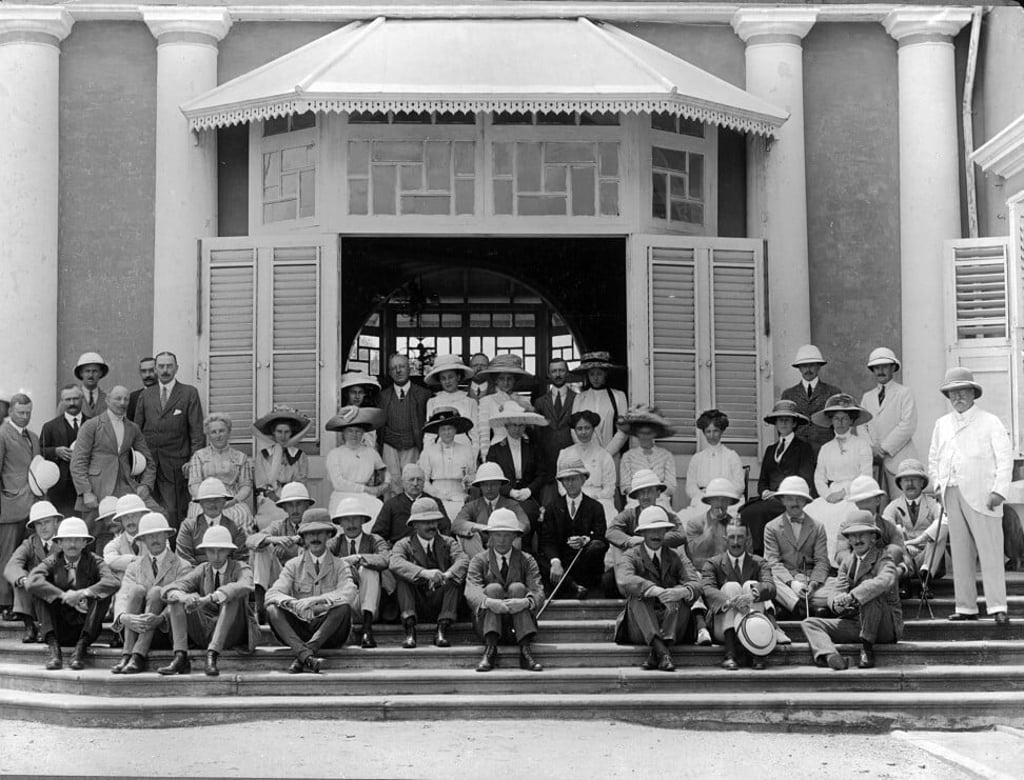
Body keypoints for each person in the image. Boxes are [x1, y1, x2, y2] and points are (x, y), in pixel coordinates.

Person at [928, 367, 1012, 625]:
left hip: (982, 493)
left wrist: (999, 490)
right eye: (953, 392)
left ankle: (997, 606)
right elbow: (933, 458)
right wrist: (938, 486)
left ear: (973, 393)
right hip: (951, 492)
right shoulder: (942, 424)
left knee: (990, 551)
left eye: (963, 391)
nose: (958, 397)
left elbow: (1005, 458)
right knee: (961, 552)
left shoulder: (990, 421)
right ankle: (965, 607)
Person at [801, 511, 904, 670]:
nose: (857, 540)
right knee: (810, 623)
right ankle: (830, 656)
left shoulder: (884, 558)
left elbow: (886, 580)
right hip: (858, 623)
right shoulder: (847, 562)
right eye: (852, 535)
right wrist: (837, 602)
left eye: (862, 534)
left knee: (870, 592)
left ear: (873, 537)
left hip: (884, 628)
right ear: (848, 539)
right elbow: (836, 589)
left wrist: (852, 596)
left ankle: (867, 649)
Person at [265, 508, 357, 674]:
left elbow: (349, 591)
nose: (315, 538)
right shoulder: (293, 564)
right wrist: (292, 603)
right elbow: (272, 593)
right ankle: (307, 656)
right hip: (300, 629)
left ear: (329, 535)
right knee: (272, 608)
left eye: (320, 533)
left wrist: (318, 600)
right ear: (304, 538)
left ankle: (302, 655)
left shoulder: (340, 565)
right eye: (310, 534)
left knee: (343, 607)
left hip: (329, 632)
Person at [159, 525, 258, 677]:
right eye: (211, 551)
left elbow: (245, 585)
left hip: (233, 632)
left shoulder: (240, 567)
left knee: (231, 596)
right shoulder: (202, 569)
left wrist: (210, 598)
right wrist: (184, 597)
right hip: (205, 630)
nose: (216, 556)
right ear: (205, 551)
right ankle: (180, 656)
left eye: (221, 551)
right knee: (176, 599)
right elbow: (171, 587)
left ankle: (212, 655)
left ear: (229, 551)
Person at [613, 506, 702, 672]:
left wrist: (681, 591)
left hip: (674, 624)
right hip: (640, 626)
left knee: (677, 591)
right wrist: (654, 589)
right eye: (650, 530)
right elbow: (623, 579)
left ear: (666, 532)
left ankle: (659, 652)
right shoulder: (631, 555)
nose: (656, 535)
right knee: (638, 596)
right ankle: (662, 650)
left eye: (661, 530)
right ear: (642, 534)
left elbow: (695, 582)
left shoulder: (677, 555)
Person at [26, 517, 118, 670]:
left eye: (77, 540)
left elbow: (113, 582)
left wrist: (83, 593)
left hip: (85, 627)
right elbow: (31, 581)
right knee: (38, 592)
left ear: (85, 543)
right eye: (67, 540)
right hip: (58, 627)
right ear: (60, 543)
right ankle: (54, 652)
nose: (72, 544)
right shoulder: (53, 561)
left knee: (103, 595)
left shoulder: (95, 561)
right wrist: (63, 596)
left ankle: (79, 652)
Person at [109, 512, 191, 675]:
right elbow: (123, 595)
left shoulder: (183, 565)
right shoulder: (134, 566)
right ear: (142, 540)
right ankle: (127, 655)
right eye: (149, 536)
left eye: (159, 534)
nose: (154, 539)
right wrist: (124, 617)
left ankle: (137, 656)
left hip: (166, 631)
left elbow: (181, 602)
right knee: (136, 590)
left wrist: (160, 618)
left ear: (167, 536)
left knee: (156, 592)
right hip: (136, 629)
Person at [465, 508, 545, 672]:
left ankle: (525, 650)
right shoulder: (479, 560)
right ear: (490, 536)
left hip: (518, 625)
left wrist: (525, 602)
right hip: (488, 625)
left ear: (515, 536)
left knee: (518, 587)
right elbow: (471, 590)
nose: (502, 540)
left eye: (507, 535)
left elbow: (538, 590)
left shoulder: (526, 560)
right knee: (493, 588)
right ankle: (490, 649)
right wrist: (489, 602)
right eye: (497, 534)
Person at [133, 351, 205, 528]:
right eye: (161, 366)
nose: (165, 370)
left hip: (176, 465)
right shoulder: (146, 395)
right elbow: (136, 431)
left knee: (173, 511)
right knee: (147, 511)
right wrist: (137, 462)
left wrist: (193, 462)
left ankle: (174, 550)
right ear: (156, 369)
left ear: (176, 368)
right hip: (149, 466)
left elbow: (197, 432)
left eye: (169, 366)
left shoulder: (189, 393)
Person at [70, 386, 158, 528]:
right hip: (97, 489)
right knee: (93, 535)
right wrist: (86, 492)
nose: (122, 403)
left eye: (126, 399)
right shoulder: (91, 426)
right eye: (118, 398)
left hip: (126, 487)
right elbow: (78, 462)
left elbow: (149, 462)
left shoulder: (133, 428)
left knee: (153, 519)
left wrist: (146, 485)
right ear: (107, 400)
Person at [739, 400, 817, 556]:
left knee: (763, 511)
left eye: (787, 420)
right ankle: (753, 555)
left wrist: (781, 493)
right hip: (770, 498)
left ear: (794, 423)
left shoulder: (804, 448)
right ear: (775, 423)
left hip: (792, 497)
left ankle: (766, 553)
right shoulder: (770, 449)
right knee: (747, 511)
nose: (783, 423)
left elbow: (805, 479)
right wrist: (765, 492)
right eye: (780, 420)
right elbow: (762, 481)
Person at [389, 496, 469, 649]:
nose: (432, 526)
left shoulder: (448, 542)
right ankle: (410, 631)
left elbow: (463, 560)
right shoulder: (404, 544)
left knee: (455, 580)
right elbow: (395, 562)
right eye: (426, 522)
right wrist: (425, 573)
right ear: (414, 525)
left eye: (434, 521)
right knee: (403, 580)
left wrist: (446, 575)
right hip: (416, 603)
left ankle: (442, 630)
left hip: (442, 602)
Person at [804, 394, 874, 561]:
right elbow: (819, 477)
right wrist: (828, 495)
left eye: (845, 418)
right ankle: (818, 560)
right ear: (831, 421)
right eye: (836, 418)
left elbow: (866, 476)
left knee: (845, 514)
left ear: (851, 421)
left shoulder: (862, 445)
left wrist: (844, 492)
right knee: (810, 512)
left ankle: (841, 561)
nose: (841, 422)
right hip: (831, 494)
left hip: (854, 494)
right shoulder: (826, 448)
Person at [701, 521, 779, 670]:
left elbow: (770, 587)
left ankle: (757, 653)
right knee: (731, 587)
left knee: (751, 585)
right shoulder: (713, 563)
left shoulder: (759, 563)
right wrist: (731, 602)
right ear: (725, 539)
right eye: (731, 537)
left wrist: (752, 596)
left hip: (754, 625)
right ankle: (730, 654)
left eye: (740, 537)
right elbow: (707, 589)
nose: (735, 542)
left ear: (748, 539)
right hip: (722, 627)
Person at [605, 469, 687, 596]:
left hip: (661, 568)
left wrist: (651, 540)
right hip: (635, 569)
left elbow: (680, 534)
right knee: (608, 580)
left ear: (658, 493)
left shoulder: (668, 516)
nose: (645, 496)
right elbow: (611, 531)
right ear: (636, 496)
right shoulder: (629, 515)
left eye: (649, 491)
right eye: (641, 492)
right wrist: (630, 540)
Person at [762, 476, 833, 617]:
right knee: (768, 578)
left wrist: (812, 585)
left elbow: (822, 561)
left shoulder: (817, 527)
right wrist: (792, 583)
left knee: (837, 585)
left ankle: (791, 604)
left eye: (799, 499)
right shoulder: (771, 527)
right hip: (785, 581)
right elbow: (773, 562)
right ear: (782, 500)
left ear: (806, 501)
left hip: (810, 580)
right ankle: (803, 607)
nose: (795, 503)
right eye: (789, 499)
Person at [329, 495, 392, 649]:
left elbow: (385, 559)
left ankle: (367, 630)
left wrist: (358, 558)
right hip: (345, 605)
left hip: (370, 605)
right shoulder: (335, 543)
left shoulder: (374, 540)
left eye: (355, 519)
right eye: (346, 520)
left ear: (363, 520)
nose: (351, 524)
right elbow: (323, 563)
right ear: (340, 523)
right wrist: (345, 565)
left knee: (368, 570)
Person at [539, 458, 607, 599]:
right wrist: (555, 562)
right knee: (537, 559)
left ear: (583, 479)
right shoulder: (552, 508)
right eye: (565, 480)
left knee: (597, 547)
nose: (570, 483)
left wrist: (586, 540)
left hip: (585, 563)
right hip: (562, 565)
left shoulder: (595, 507)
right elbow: (547, 540)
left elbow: (601, 537)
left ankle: (573, 586)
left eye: (574, 479)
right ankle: (573, 587)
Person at [0, 393, 41, 620]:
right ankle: (4, 603)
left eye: (28, 413)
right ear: (11, 412)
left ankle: (22, 606)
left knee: (26, 556)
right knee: (7, 556)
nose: (25, 417)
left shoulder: (33, 437)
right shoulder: (2, 435)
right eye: (21, 413)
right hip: (8, 505)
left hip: (31, 505)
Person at [486, 402, 549, 548]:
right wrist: (510, 491)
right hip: (503, 498)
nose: (517, 429)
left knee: (527, 514)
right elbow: (491, 478)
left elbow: (542, 474)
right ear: (506, 426)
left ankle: (525, 555)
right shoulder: (495, 450)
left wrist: (529, 490)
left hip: (528, 497)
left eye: (521, 425)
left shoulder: (533, 447)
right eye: (513, 425)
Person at [247, 481, 312, 619]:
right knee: (262, 549)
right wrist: (274, 540)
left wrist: (293, 547)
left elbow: (323, 548)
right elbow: (251, 541)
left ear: (306, 505)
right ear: (284, 508)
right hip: (280, 581)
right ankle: (260, 607)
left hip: (306, 581)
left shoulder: (314, 526)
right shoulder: (278, 525)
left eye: (299, 504)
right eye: (290, 505)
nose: (294, 509)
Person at [860, 349, 919, 499]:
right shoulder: (867, 397)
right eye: (877, 367)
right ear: (872, 370)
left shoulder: (904, 393)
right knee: (878, 507)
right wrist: (871, 448)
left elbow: (907, 425)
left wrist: (884, 449)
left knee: (901, 504)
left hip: (899, 459)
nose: (880, 371)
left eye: (885, 366)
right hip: (874, 461)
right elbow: (861, 425)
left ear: (893, 368)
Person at [882, 458, 947, 591]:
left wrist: (920, 540)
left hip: (928, 556)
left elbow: (943, 519)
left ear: (922, 482)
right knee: (895, 532)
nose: (910, 483)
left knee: (941, 528)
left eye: (914, 479)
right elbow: (886, 530)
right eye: (905, 480)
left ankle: (926, 579)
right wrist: (904, 545)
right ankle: (904, 582)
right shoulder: (893, 506)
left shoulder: (932, 503)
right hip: (905, 557)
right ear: (900, 483)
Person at [4, 501, 62, 643]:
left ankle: (48, 628)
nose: (43, 527)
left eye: (47, 522)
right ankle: (29, 626)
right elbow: (11, 567)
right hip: (33, 600)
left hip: (57, 597)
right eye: (38, 524)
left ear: (56, 522)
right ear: (34, 527)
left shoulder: (65, 541)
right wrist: (25, 579)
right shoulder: (30, 543)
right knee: (20, 579)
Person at [185, 413, 254, 532]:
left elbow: (246, 486)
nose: (218, 436)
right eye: (213, 432)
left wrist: (234, 500)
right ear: (208, 435)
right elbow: (194, 485)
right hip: (203, 500)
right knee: (199, 516)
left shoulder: (240, 457)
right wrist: (206, 500)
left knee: (242, 515)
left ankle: (239, 549)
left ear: (228, 432)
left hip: (231, 501)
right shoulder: (199, 456)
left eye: (221, 431)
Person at [452, 462, 529, 558]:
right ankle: (485, 566)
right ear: (480, 486)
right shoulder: (473, 505)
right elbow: (456, 524)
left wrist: (500, 531)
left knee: (515, 537)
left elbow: (524, 524)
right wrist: (480, 527)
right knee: (468, 537)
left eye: (493, 484)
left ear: (500, 484)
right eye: (485, 485)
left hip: (504, 551)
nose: (489, 488)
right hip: (479, 552)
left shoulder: (511, 504)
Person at [251, 405, 312, 529]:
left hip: (294, 499)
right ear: (273, 433)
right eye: (279, 432)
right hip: (270, 499)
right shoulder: (263, 456)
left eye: (286, 432)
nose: (283, 436)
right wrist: (277, 499)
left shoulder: (300, 456)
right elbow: (261, 484)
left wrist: (289, 499)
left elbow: (301, 482)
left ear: (292, 433)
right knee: (272, 518)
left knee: (301, 518)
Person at [378, 353, 431, 495]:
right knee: (390, 486)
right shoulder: (383, 396)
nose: (398, 370)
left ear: (409, 369)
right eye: (394, 368)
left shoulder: (423, 394)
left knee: (413, 484)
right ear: (390, 372)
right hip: (389, 447)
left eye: (401, 366)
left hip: (413, 445)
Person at [679, 409, 744, 520]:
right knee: (683, 518)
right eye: (708, 431)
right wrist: (704, 498)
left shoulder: (731, 456)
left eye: (715, 431)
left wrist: (722, 498)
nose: (712, 435)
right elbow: (690, 486)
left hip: (727, 501)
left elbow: (739, 485)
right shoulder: (697, 458)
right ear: (704, 433)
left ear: (722, 432)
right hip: (703, 500)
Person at [779, 344, 843, 453]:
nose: (808, 370)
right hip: (797, 453)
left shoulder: (833, 393)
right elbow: (783, 428)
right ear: (799, 368)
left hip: (825, 451)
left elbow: (840, 425)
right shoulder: (788, 394)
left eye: (812, 365)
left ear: (819, 366)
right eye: (804, 366)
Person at [325, 405, 389, 512]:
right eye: (350, 431)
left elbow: (384, 471)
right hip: (343, 497)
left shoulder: (371, 453)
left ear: (363, 433)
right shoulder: (335, 454)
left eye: (358, 431)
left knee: (377, 509)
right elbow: (338, 483)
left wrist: (384, 484)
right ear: (344, 433)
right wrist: (366, 489)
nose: (354, 435)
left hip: (367, 497)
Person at [557, 410, 617, 522]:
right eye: (579, 429)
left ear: (593, 429)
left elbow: (609, 488)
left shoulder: (604, 455)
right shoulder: (565, 454)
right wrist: (576, 497)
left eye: (587, 428)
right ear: (574, 431)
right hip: (572, 498)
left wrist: (592, 498)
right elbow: (561, 487)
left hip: (599, 499)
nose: (583, 432)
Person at [532, 357, 577, 505]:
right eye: (554, 371)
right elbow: (537, 435)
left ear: (567, 373)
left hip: (571, 461)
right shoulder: (540, 402)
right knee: (548, 508)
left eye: (561, 370)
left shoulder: (577, 399)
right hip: (548, 465)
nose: (558, 374)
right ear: (549, 375)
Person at [174, 477, 248, 566]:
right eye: (207, 500)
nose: (212, 504)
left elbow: (241, 561)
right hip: (196, 577)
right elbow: (184, 560)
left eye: (217, 500)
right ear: (200, 503)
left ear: (224, 502)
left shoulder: (235, 528)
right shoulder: (189, 527)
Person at [570, 351, 629, 460]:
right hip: (586, 456)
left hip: (611, 456)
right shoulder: (580, 398)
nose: (595, 378)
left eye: (599, 373)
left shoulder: (619, 396)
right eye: (592, 374)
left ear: (605, 373)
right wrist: (587, 451)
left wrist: (606, 454)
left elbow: (623, 431)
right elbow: (574, 429)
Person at [371, 463, 450, 544]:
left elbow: (446, 530)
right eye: (411, 480)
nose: (415, 484)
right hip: (400, 551)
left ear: (424, 483)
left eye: (419, 480)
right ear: (403, 482)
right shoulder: (392, 504)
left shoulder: (434, 502)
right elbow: (378, 534)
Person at [418, 408, 476, 519]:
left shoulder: (466, 450)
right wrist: (438, 495)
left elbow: (472, 475)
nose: (447, 432)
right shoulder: (428, 451)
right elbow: (423, 481)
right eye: (443, 429)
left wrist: (469, 482)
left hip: (460, 494)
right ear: (438, 432)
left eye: (450, 429)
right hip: (436, 495)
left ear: (455, 430)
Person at [39, 384, 88, 517]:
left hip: (87, 486)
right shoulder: (50, 426)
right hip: (61, 488)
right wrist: (55, 451)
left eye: (75, 398)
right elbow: (40, 451)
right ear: (62, 401)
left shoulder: (93, 424)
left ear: (82, 398)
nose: (72, 403)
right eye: (67, 399)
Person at [619, 405, 678, 511]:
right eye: (641, 433)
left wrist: (655, 494)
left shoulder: (666, 455)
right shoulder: (628, 456)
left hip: (660, 500)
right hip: (635, 501)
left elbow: (671, 485)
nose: (644, 437)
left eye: (648, 433)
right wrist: (641, 495)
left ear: (655, 434)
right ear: (636, 433)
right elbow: (625, 485)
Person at [476, 353, 535, 459]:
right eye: (502, 378)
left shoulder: (524, 401)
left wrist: (526, 407)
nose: (506, 382)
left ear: (515, 380)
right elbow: (484, 434)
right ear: (496, 380)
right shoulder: (487, 401)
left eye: (509, 379)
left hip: (521, 449)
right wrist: (486, 459)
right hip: (498, 450)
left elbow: (532, 427)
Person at [684, 478, 749, 573]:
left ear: (730, 502)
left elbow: (746, 553)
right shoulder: (695, 523)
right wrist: (709, 530)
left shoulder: (737, 526)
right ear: (709, 500)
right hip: (701, 573)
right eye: (715, 499)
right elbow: (692, 553)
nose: (720, 503)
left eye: (724, 499)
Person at [424, 355, 480, 456]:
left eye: (451, 377)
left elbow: (475, 434)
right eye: (443, 378)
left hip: (464, 449)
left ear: (458, 377)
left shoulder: (470, 402)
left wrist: (473, 457)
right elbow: (429, 435)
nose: (447, 381)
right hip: (439, 451)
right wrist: (427, 456)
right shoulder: (432, 402)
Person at [103, 494, 149, 580]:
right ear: (120, 520)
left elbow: (162, 560)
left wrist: (124, 564)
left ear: (142, 515)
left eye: (134, 515)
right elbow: (109, 560)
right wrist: (138, 560)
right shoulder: (113, 544)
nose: (130, 521)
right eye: (125, 517)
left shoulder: (156, 535)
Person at [339, 369, 382, 448]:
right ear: (346, 394)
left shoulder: (368, 416)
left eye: (360, 392)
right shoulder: (341, 414)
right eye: (353, 392)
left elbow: (371, 443)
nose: (357, 396)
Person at [75, 351, 109, 418]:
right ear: (81, 373)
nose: (91, 375)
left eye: (95, 371)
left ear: (100, 373)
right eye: (87, 371)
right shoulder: (70, 398)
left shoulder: (108, 400)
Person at [126, 357, 157, 422]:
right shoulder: (134, 397)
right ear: (140, 373)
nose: (147, 375)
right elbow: (130, 425)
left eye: (151, 371)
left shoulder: (166, 395)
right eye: (144, 371)